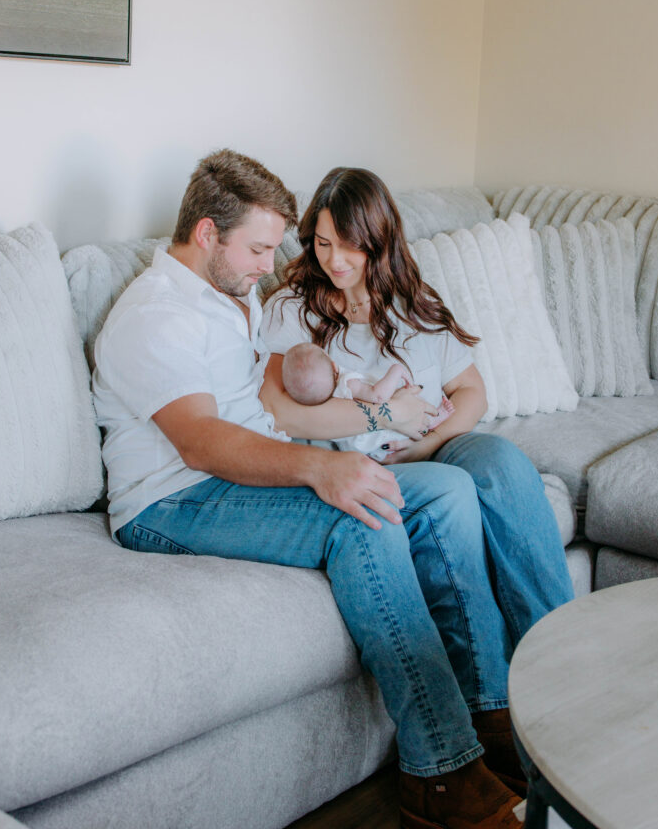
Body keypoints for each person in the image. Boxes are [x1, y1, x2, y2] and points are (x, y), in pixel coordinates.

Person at [90, 149, 562, 829]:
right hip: (174, 498)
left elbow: (279, 391)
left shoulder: (231, 292)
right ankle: (442, 771)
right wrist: (318, 466)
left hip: (231, 474)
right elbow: (200, 441)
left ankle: (491, 716)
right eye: (258, 249)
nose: (269, 265)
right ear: (205, 236)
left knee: (446, 492)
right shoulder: (156, 315)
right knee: (358, 514)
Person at [260, 166, 575, 828]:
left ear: (381, 240)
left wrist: (430, 442)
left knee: (503, 463)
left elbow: (472, 395)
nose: (336, 260)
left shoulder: (415, 302)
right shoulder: (293, 309)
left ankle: (568, 670)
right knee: (455, 490)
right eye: (321, 242)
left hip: (429, 446)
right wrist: (384, 423)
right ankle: (492, 714)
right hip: (364, 463)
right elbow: (286, 416)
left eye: (350, 245)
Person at [281, 342, 455, 460]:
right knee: (408, 413)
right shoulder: (348, 384)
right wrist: (396, 371)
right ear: (334, 365)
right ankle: (434, 420)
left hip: (361, 450)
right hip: (384, 435)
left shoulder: (323, 407)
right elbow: (378, 396)